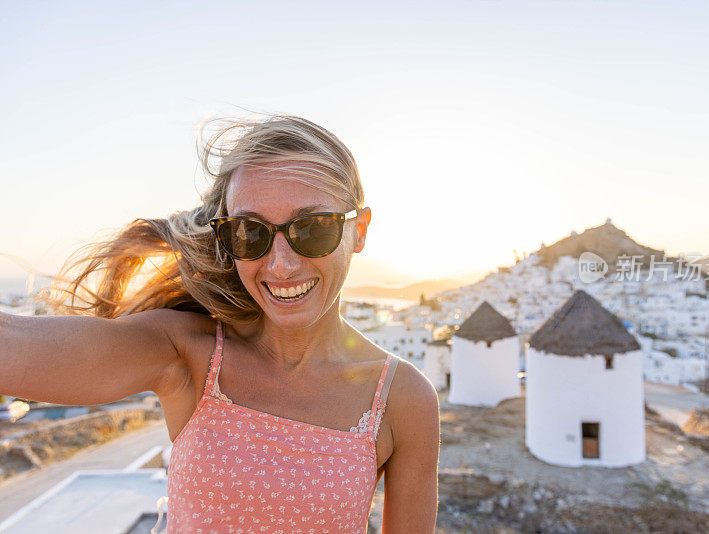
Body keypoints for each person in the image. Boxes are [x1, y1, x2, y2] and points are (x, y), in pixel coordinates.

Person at [0, 114, 441, 533]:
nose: (282, 265)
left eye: (313, 228)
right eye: (251, 232)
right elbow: (15, 347)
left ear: (359, 230)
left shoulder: (402, 399)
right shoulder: (187, 354)